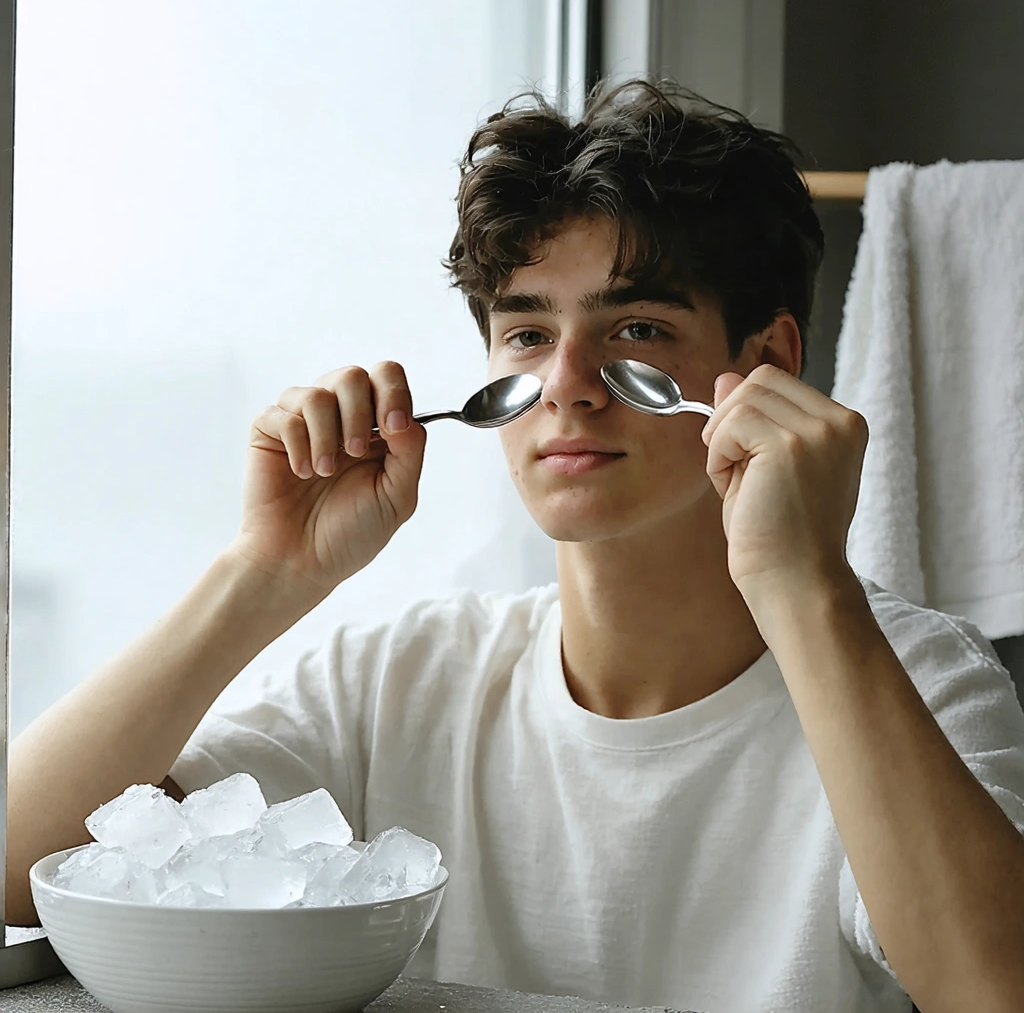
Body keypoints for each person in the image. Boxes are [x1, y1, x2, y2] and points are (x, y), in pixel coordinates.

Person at [9, 80, 1024, 1013]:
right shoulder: (395, 683)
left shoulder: (916, 677)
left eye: (635, 330)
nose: (566, 385)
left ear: (766, 362)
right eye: (528, 334)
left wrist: (803, 580)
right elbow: (21, 861)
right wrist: (263, 574)